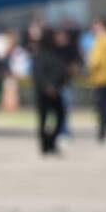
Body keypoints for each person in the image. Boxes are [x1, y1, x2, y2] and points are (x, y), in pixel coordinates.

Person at [32, 27, 67, 155]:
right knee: (43, 119)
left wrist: (58, 86)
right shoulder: (40, 54)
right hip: (43, 93)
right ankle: (45, 145)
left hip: (56, 91)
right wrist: (48, 87)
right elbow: (39, 73)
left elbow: (61, 71)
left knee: (60, 116)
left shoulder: (58, 53)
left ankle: (51, 142)